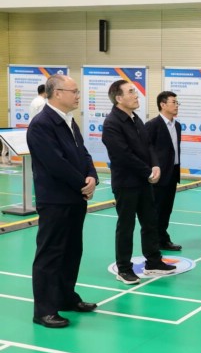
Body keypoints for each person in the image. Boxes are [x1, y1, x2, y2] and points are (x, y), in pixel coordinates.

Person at [26, 75, 98, 328]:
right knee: (50, 254)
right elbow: (55, 163)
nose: (78, 95)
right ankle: (44, 310)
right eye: (74, 91)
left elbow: (83, 153)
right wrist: (82, 184)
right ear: (57, 93)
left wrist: (92, 176)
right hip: (55, 200)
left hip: (74, 198)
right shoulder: (42, 124)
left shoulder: (69, 120)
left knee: (71, 251)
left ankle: (66, 297)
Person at [102, 80, 176, 284]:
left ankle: (153, 262)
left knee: (150, 222)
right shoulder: (112, 123)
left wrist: (155, 165)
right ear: (119, 98)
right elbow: (123, 155)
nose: (136, 95)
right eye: (131, 92)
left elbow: (148, 145)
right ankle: (124, 268)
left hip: (144, 181)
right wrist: (147, 171)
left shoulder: (136, 119)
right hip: (126, 183)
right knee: (126, 226)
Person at [145, 91, 183, 251]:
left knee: (167, 209)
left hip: (173, 173)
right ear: (162, 104)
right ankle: (153, 241)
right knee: (156, 210)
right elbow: (146, 150)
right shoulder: (152, 125)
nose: (176, 105)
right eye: (173, 102)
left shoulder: (177, 125)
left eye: (177, 103)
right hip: (159, 175)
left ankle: (163, 238)